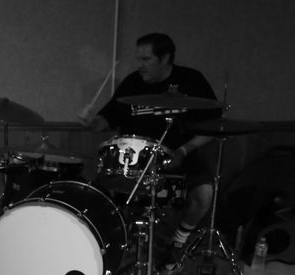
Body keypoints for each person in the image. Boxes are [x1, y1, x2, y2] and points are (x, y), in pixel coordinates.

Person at [84, 32, 222, 262]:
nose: (140, 65)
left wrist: (184, 150)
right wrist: (93, 123)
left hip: (180, 154)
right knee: (103, 196)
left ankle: (178, 242)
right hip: (134, 157)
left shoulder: (191, 80)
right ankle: (111, 248)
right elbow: (107, 118)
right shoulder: (132, 83)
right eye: (138, 59)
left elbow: (213, 126)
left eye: (146, 59)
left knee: (204, 194)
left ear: (165, 58)